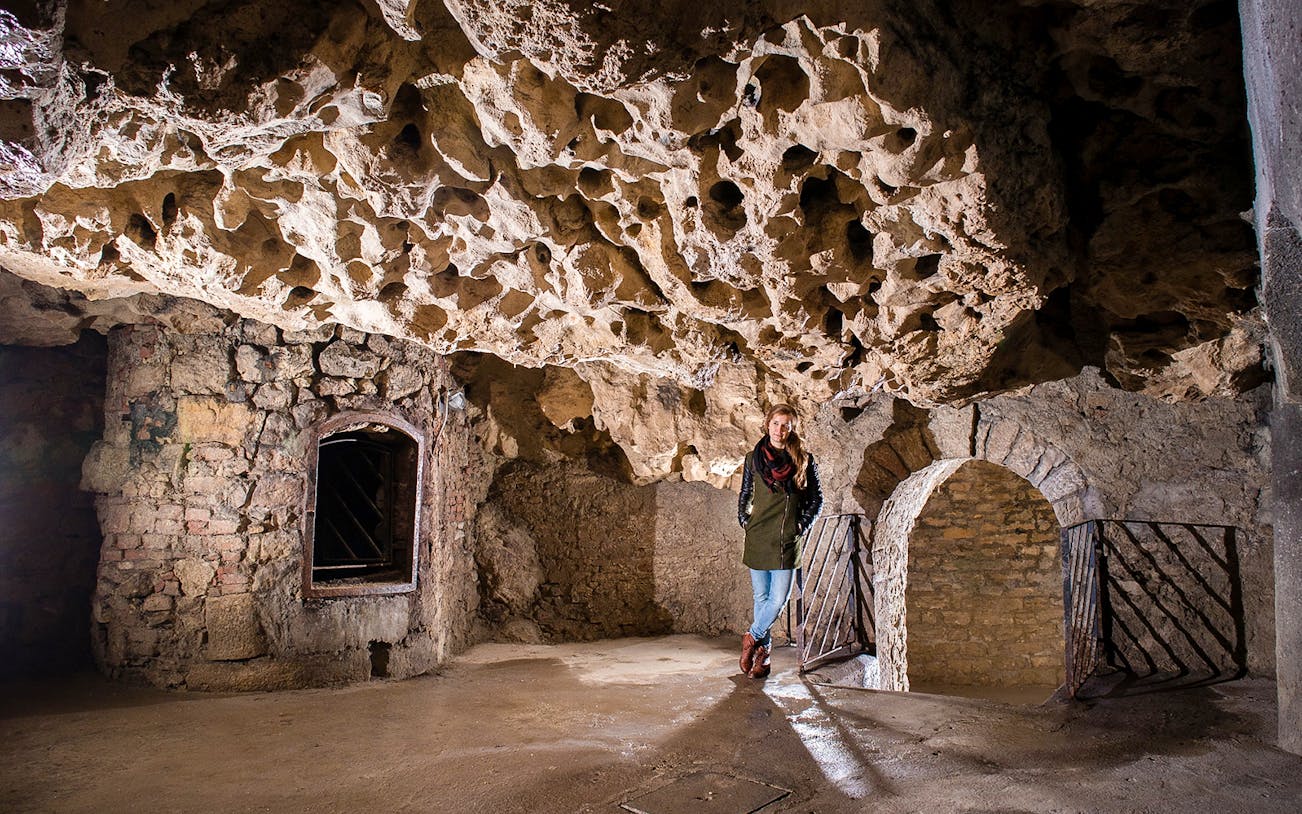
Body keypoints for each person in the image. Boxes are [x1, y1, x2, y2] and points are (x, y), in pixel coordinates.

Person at [736, 403, 823, 679]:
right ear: (767, 424)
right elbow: (745, 493)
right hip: (759, 536)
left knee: (778, 598)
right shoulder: (753, 459)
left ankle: (752, 636)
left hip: (786, 539)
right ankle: (763, 658)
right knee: (761, 598)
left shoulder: (803, 460)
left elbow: (816, 499)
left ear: (791, 429)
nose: (779, 429)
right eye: (775, 423)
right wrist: (745, 521)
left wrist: (801, 525)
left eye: (786, 425)